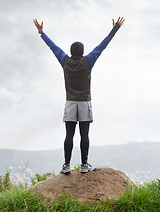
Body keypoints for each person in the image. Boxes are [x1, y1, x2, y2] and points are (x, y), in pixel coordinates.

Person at [33, 16, 125, 174]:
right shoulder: (88, 61)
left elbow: (53, 47)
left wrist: (41, 32)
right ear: (82, 52)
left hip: (70, 103)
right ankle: (84, 165)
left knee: (69, 134)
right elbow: (102, 46)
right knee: (84, 134)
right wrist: (115, 28)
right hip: (84, 102)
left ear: (70, 51)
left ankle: (66, 165)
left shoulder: (64, 61)